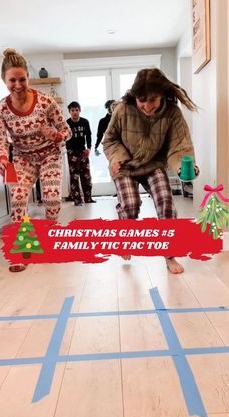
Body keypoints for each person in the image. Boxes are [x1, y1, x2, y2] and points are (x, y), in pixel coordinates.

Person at [103, 68, 199, 274]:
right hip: (125, 165)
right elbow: (109, 139)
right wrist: (117, 158)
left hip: (153, 164)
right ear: (134, 96)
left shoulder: (173, 113)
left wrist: (182, 167)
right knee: (131, 204)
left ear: (162, 94)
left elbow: (179, 146)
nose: (147, 106)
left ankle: (170, 255)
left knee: (165, 200)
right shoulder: (123, 109)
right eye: (141, 100)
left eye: (153, 100)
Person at [0, 48, 70, 272]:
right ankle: (24, 247)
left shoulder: (45, 102)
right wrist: (3, 158)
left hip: (49, 155)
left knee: (52, 198)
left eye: (22, 79)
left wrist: (55, 135)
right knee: (17, 198)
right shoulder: (0, 109)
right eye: (12, 80)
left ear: (28, 77)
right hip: (23, 158)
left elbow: (67, 131)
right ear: (4, 80)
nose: (18, 85)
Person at [66, 101, 96, 205]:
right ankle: (77, 200)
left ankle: (88, 198)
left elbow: (88, 135)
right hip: (71, 152)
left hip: (83, 151)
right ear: (69, 112)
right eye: (72, 110)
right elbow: (64, 138)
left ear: (80, 111)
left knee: (86, 175)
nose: (75, 112)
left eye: (77, 110)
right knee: (74, 177)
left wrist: (89, 148)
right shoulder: (67, 124)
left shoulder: (85, 122)